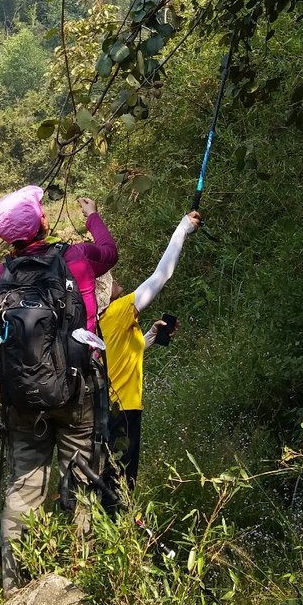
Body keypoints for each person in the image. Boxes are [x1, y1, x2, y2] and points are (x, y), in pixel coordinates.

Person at [0, 186, 118, 594]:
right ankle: (81, 582)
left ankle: (13, 586)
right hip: (78, 390)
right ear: (42, 222)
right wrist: (93, 216)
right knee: (82, 480)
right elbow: (109, 253)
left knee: (23, 487)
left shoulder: (0, 275)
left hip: (22, 397)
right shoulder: (75, 258)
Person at [98, 210, 200, 493]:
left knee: (106, 477)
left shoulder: (96, 320)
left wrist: (151, 336)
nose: (114, 278)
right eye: (108, 277)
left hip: (103, 408)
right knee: (121, 484)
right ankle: (116, 530)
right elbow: (161, 275)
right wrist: (182, 229)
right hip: (124, 410)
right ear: (103, 290)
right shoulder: (117, 311)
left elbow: (118, 356)